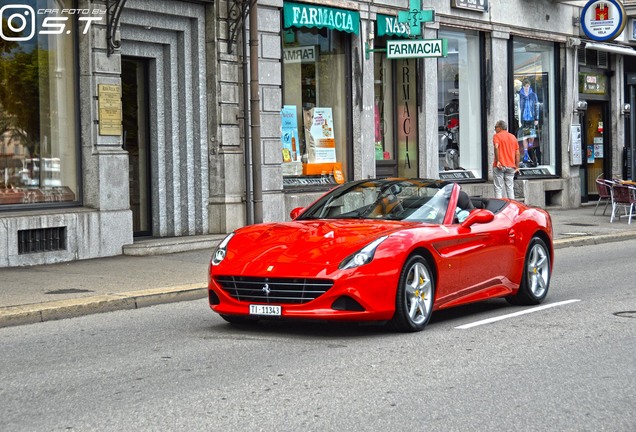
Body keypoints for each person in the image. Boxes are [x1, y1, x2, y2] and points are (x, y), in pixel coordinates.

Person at [492, 120, 520, 199]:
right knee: (510, 188)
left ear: (500, 127)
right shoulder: (513, 137)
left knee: (498, 188)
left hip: (499, 165)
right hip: (511, 166)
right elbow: (517, 152)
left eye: (495, 127)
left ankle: (499, 208)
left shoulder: (497, 136)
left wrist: (497, 161)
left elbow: (496, 147)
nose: (495, 129)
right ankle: (513, 207)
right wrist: (517, 166)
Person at [518, 78, 539, 165]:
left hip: (531, 118)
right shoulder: (520, 95)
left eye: (528, 86)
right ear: (523, 86)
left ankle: (530, 150)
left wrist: (536, 118)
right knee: (524, 137)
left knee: (532, 137)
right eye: (525, 86)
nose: (527, 87)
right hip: (523, 119)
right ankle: (526, 154)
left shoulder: (533, 95)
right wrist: (518, 119)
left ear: (529, 86)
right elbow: (518, 107)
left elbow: (536, 106)